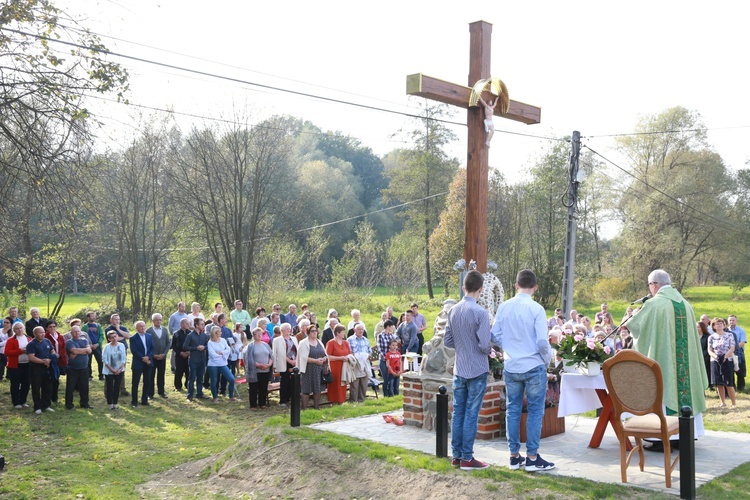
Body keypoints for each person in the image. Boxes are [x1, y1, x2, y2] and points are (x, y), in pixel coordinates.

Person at [625, 269, 708, 444]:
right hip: (685, 366)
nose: (650, 289)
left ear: (654, 284)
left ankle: (662, 437)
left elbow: (637, 328)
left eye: (649, 285)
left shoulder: (654, 304)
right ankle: (684, 435)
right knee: (684, 389)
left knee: (665, 385)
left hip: (664, 363)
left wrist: (631, 317)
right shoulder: (685, 304)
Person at [491, 269, 555, 472]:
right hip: (533, 363)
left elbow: (494, 336)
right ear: (535, 287)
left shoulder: (504, 307)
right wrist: (546, 359)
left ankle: (513, 456)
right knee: (535, 411)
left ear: (516, 285)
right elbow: (543, 341)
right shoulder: (537, 308)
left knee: (513, 410)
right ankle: (532, 457)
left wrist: (508, 346)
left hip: (512, 365)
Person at [444, 269, 492, 471]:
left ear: (464, 287)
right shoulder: (481, 312)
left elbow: (447, 340)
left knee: (458, 413)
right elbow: (484, 345)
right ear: (480, 289)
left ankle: (456, 456)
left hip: (460, 367)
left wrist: (463, 346)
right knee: (471, 413)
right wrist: (490, 349)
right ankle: (467, 458)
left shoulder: (453, 310)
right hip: (477, 368)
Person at [26, 326, 56, 414]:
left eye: (43, 332)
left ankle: (46, 405)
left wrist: (50, 359)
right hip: (36, 369)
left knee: (48, 387)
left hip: (47, 368)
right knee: (36, 388)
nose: (42, 334)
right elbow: (31, 357)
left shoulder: (47, 341)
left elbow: (52, 351)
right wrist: (43, 361)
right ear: (35, 334)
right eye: (40, 332)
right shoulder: (31, 344)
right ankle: (37, 407)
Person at [708, 317, 736, 408]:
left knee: (728, 382)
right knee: (719, 382)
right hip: (715, 361)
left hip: (727, 360)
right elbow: (709, 350)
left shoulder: (729, 335)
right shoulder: (711, 337)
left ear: (724, 325)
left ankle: (733, 403)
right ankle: (722, 402)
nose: (719, 325)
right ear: (713, 326)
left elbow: (732, 348)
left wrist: (725, 357)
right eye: (717, 324)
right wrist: (716, 357)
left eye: (721, 323)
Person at [298, 325, 327, 409]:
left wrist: (324, 359)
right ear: (308, 333)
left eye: (316, 331)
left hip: (318, 369)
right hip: (308, 369)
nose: (315, 332)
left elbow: (324, 354)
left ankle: (316, 407)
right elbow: (303, 357)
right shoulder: (303, 343)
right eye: (312, 331)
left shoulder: (319, 342)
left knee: (317, 388)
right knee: (306, 389)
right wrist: (316, 361)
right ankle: (304, 408)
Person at [206, 326, 237, 403]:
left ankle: (231, 396)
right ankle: (215, 397)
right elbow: (213, 355)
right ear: (215, 333)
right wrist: (222, 353)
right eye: (219, 332)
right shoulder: (210, 343)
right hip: (213, 364)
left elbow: (228, 349)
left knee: (231, 379)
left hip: (223, 363)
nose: (221, 333)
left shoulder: (223, 340)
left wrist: (221, 353)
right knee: (214, 380)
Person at [244, 327, 273, 410]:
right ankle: (253, 405)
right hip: (255, 371)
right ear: (254, 335)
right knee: (254, 388)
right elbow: (249, 359)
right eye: (258, 334)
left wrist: (269, 364)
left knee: (263, 387)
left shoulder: (265, 344)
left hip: (266, 370)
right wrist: (259, 365)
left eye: (261, 334)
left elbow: (271, 355)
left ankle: (262, 403)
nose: (260, 335)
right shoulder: (250, 346)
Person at [65, 325, 93, 410]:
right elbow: (74, 351)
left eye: (78, 331)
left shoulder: (85, 340)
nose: (77, 333)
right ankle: (69, 404)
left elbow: (89, 350)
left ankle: (85, 403)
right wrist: (83, 350)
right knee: (70, 387)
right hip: (72, 369)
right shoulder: (69, 342)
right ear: (71, 333)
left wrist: (78, 352)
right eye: (75, 331)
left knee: (85, 387)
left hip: (84, 368)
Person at [272, 323, 299, 407]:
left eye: (289, 328)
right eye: (286, 328)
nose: (288, 330)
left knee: (293, 381)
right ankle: (283, 400)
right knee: (284, 381)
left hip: (294, 361)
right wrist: (289, 361)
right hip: (284, 362)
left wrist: (295, 360)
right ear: (282, 330)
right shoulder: (277, 340)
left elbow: (298, 350)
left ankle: (291, 398)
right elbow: (278, 353)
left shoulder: (294, 339)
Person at [6, 321, 31, 409]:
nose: (19, 330)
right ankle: (16, 402)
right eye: (17, 328)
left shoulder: (29, 338)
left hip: (27, 364)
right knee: (15, 384)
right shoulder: (11, 340)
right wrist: (20, 351)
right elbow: (7, 352)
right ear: (14, 330)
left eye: (21, 328)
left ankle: (23, 401)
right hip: (15, 366)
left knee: (26, 383)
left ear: (23, 328)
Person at [130, 321, 154, 408]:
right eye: (141, 327)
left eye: (144, 326)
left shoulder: (149, 336)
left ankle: (144, 400)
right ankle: (134, 401)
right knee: (135, 383)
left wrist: (148, 357)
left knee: (147, 381)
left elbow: (152, 348)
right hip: (138, 363)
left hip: (148, 362)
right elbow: (134, 351)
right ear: (136, 328)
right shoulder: (133, 338)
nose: (143, 328)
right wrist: (143, 358)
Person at [183, 318, 209, 402]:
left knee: (200, 377)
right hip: (194, 360)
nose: (203, 326)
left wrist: (204, 347)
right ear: (196, 325)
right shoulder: (190, 335)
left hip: (202, 359)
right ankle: (190, 395)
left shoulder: (204, 335)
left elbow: (208, 345)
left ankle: (199, 393)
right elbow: (185, 347)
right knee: (192, 378)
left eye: (203, 324)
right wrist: (195, 348)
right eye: (201, 324)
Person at [325, 324, 352, 404]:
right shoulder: (331, 343)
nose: (344, 334)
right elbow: (328, 356)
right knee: (335, 384)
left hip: (344, 366)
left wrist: (349, 357)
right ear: (337, 333)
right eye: (343, 332)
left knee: (343, 383)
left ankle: (342, 400)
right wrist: (340, 358)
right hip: (335, 367)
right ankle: (333, 401)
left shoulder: (345, 343)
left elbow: (349, 353)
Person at [105, 314, 130, 397]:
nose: (117, 321)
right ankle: (108, 390)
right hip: (111, 352)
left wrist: (118, 329)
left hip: (122, 352)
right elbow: (115, 339)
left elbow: (128, 336)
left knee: (121, 370)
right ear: (111, 320)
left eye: (118, 319)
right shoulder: (108, 329)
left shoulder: (122, 328)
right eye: (115, 319)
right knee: (110, 371)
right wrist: (121, 337)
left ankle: (122, 389)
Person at [147, 313, 170, 399]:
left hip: (162, 357)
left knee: (161, 375)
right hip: (153, 357)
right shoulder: (149, 331)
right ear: (153, 321)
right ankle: (150, 393)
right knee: (151, 375)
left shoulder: (164, 330)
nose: (158, 321)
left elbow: (168, 342)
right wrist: (153, 355)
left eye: (160, 319)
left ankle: (161, 392)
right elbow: (147, 344)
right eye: (157, 320)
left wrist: (164, 353)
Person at [102, 331, 126, 410]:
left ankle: (115, 403)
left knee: (117, 386)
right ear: (109, 339)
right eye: (112, 337)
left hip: (119, 370)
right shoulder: (107, 347)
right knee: (110, 387)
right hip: (109, 371)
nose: (114, 338)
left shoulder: (121, 345)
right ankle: (110, 403)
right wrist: (112, 370)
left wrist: (120, 369)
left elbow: (123, 358)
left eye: (115, 336)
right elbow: (105, 359)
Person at [347, 323, 371, 403]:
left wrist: (366, 356)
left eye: (362, 329)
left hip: (365, 363)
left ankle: (362, 400)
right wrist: (358, 357)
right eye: (359, 329)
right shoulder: (350, 339)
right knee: (355, 383)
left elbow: (370, 351)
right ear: (354, 330)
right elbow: (349, 352)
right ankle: (354, 401)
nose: (361, 331)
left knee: (364, 383)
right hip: (355, 363)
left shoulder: (366, 339)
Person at [44, 321, 67, 403]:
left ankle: (55, 397)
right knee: (50, 379)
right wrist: (52, 356)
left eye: (54, 326)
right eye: (50, 327)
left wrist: (60, 355)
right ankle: (48, 397)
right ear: (47, 328)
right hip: (50, 360)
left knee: (56, 379)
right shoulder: (45, 337)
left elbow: (64, 347)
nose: (52, 328)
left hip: (59, 360)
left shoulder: (60, 336)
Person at [377, 320, 399, 396]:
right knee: (386, 377)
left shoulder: (392, 335)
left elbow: (395, 347)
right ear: (388, 327)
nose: (392, 328)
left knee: (392, 377)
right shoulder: (380, 335)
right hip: (383, 360)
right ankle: (386, 394)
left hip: (392, 360)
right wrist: (386, 358)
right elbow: (379, 349)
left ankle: (392, 394)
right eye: (391, 326)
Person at [171, 318, 192, 392]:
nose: (188, 325)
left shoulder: (191, 333)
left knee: (188, 371)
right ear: (181, 324)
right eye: (186, 323)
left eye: (189, 323)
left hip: (189, 355)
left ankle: (188, 385)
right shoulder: (176, 333)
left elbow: (193, 344)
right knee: (179, 371)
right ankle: (178, 386)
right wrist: (180, 353)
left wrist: (189, 352)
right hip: (179, 355)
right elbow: (173, 345)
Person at [83, 312, 104, 381]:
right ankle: (89, 376)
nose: (94, 317)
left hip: (97, 346)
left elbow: (101, 336)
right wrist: (89, 345)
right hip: (89, 347)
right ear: (88, 318)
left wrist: (98, 344)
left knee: (100, 361)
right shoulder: (85, 327)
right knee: (88, 362)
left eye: (94, 316)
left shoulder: (98, 326)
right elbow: (83, 337)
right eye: (92, 316)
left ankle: (101, 375)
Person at [727, 314, 746, 391]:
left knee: (740, 369)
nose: (731, 322)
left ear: (736, 321)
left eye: (733, 320)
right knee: (730, 370)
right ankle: (732, 387)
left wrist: (733, 348)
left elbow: (742, 342)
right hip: (728, 353)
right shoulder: (726, 331)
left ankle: (741, 387)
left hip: (738, 352)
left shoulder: (741, 330)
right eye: (730, 320)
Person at [697, 321, 712, 389]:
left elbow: (708, 347)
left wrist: (702, 355)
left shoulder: (707, 337)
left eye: (698, 327)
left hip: (705, 357)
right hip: (697, 357)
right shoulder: (695, 336)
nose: (697, 328)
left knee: (707, 371)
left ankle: (709, 385)